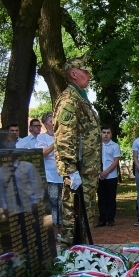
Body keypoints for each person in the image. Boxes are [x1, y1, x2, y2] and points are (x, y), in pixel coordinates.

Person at [53, 56, 102, 246]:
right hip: (78, 172)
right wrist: (70, 171)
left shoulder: (81, 98)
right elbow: (64, 136)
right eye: (85, 72)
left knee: (85, 215)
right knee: (73, 218)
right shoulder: (69, 100)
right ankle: (69, 258)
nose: (89, 75)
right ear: (74, 74)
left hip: (87, 171)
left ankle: (82, 253)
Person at [37, 112, 63, 240]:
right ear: (45, 124)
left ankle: (61, 231)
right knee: (52, 203)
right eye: (51, 121)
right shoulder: (41, 138)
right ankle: (51, 232)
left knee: (62, 204)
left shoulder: (63, 136)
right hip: (50, 176)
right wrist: (55, 142)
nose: (54, 123)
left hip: (63, 175)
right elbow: (43, 153)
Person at [97, 125, 121, 227]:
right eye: (104, 132)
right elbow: (95, 161)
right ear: (100, 133)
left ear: (111, 134)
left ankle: (110, 218)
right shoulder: (96, 146)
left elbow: (116, 161)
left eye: (108, 133)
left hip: (111, 176)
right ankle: (102, 218)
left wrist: (106, 172)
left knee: (111, 198)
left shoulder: (115, 146)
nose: (106, 134)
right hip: (99, 176)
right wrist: (100, 172)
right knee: (101, 198)